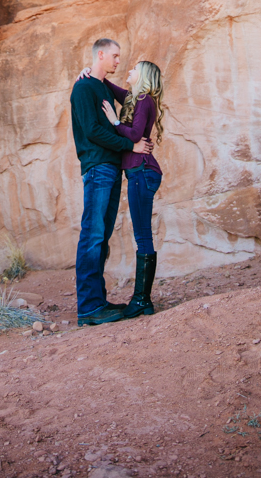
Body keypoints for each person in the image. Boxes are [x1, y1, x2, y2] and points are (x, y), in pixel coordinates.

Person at [70, 38, 154, 327]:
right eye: (115, 56)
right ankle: (89, 308)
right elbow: (92, 130)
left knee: (101, 237)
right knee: (92, 235)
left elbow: (131, 99)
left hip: (111, 167)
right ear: (101, 55)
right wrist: (129, 146)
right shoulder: (82, 88)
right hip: (97, 167)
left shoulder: (102, 86)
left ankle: (98, 301)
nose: (119, 61)